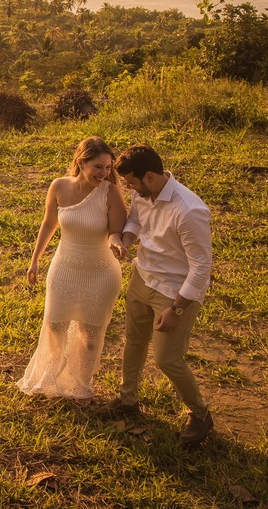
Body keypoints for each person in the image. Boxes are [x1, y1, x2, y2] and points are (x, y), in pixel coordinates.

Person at [98, 145, 214, 447]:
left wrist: (176, 309)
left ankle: (200, 414)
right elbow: (136, 220)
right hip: (143, 277)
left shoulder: (189, 211)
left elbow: (202, 267)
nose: (128, 189)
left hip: (175, 292)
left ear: (150, 177)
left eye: (131, 183)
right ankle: (128, 399)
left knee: (167, 359)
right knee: (134, 341)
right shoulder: (143, 193)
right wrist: (126, 239)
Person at [17, 137, 128, 400]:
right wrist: (35, 260)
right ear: (81, 163)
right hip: (64, 268)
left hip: (101, 272)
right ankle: (51, 379)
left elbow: (117, 230)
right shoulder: (59, 186)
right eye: (98, 167)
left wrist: (116, 242)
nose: (104, 173)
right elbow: (48, 224)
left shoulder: (110, 192)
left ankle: (80, 385)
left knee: (90, 336)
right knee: (55, 326)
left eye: (108, 167)